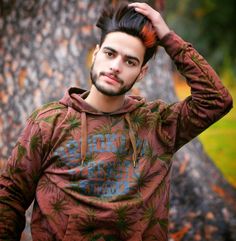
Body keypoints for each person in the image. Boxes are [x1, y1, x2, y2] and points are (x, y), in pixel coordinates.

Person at [0, 2, 233, 241]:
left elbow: (216, 101)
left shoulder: (158, 124)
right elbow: (10, 197)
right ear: (96, 53)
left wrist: (167, 37)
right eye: (110, 54)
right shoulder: (49, 122)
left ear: (141, 72)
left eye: (130, 61)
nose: (115, 67)